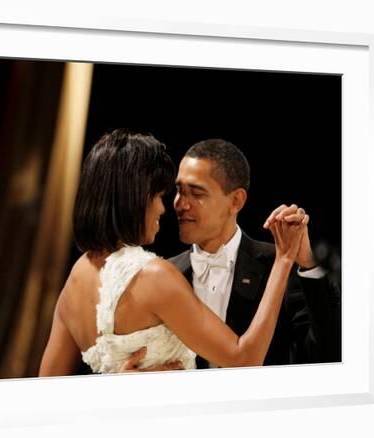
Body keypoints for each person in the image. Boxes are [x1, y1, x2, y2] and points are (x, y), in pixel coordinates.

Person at [39, 129, 309, 376]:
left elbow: (47, 390)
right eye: (159, 196)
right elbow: (244, 359)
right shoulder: (155, 275)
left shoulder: (76, 275)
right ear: (134, 198)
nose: (165, 208)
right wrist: (284, 259)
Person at [125, 138, 341, 371]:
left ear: (236, 200)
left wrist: (308, 264)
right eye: (179, 190)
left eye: (196, 193)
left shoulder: (278, 264)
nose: (180, 204)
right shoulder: (162, 274)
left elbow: (326, 353)